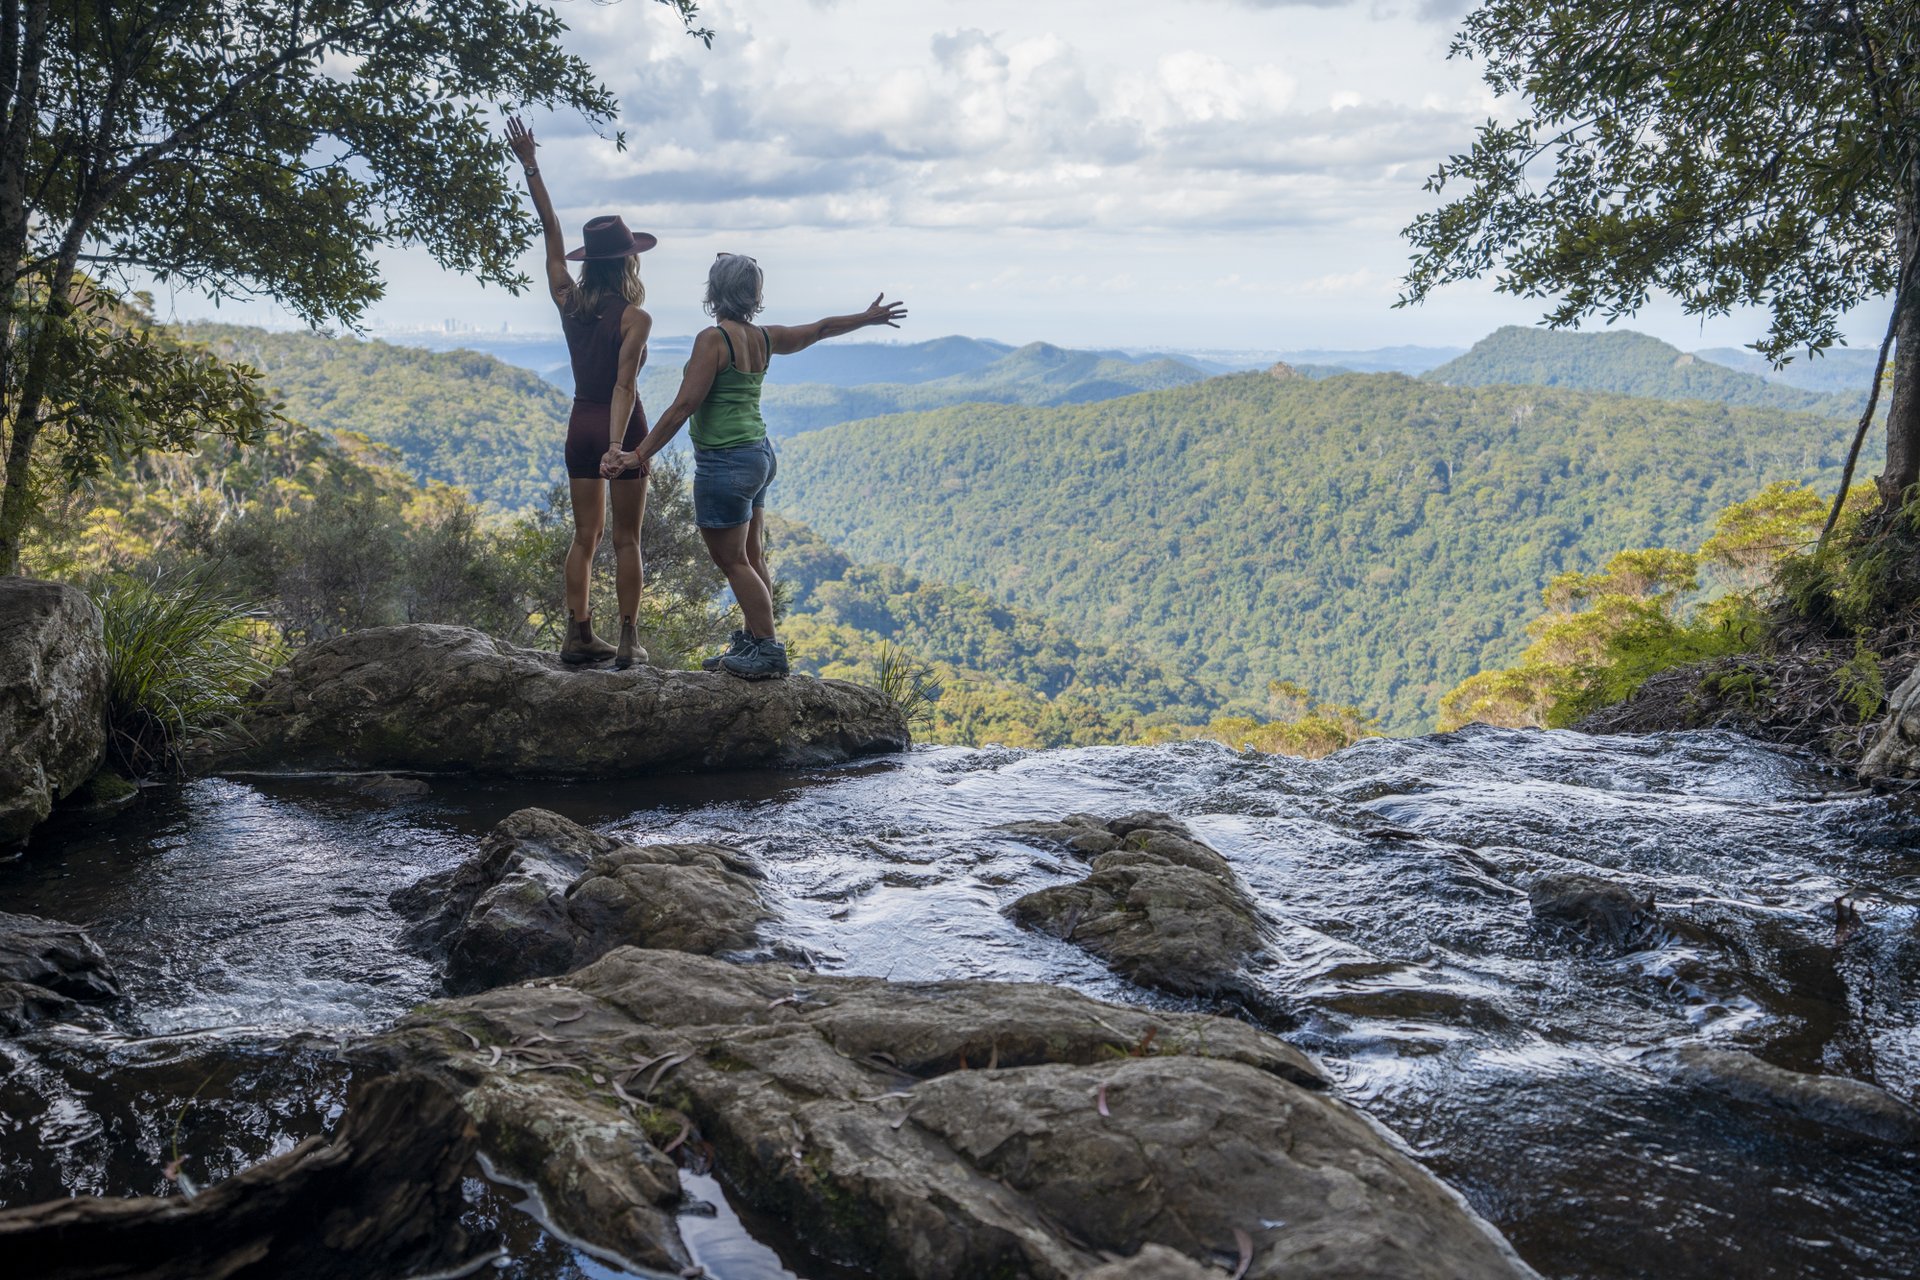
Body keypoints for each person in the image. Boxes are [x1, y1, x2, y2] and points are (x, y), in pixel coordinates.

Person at [609, 254, 905, 679]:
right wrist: (866, 318)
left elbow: (684, 406)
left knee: (733, 561)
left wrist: (637, 455)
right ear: (754, 294)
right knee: (752, 554)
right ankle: (753, 638)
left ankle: (767, 648)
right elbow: (819, 329)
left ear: (714, 292)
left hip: (725, 462)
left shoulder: (713, 340)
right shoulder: (763, 338)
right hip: (759, 456)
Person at [506, 115, 654, 669]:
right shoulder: (635, 316)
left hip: (578, 424)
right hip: (619, 426)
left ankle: (577, 635)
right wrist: (621, 449)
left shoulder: (567, 297)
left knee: (584, 537)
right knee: (626, 541)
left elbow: (550, 232)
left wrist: (531, 166)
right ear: (628, 262)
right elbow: (625, 385)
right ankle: (628, 641)